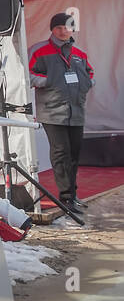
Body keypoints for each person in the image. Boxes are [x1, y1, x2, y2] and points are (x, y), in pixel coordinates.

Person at [28, 13, 95, 213]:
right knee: (61, 154)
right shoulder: (39, 50)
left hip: (76, 111)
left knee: (74, 154)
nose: (63, 31)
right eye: (59, 27)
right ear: (52, 29)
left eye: (67, 27)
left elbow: (90, 73)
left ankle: (72, 196)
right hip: (52, 111)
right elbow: (29, 73)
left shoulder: (80, 54)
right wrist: (48, 81)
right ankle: (66, 198)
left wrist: (86, 85)